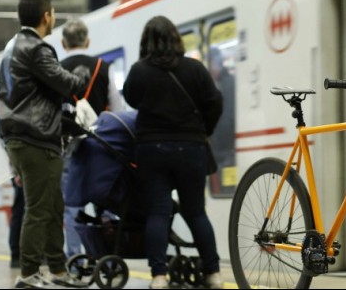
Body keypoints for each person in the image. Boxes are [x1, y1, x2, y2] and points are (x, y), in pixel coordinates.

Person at [0, 0, 89, 289]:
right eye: (53, 13)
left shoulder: (12, 46)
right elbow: (68, 84)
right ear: (46, 16)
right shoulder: (36, 48)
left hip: (21, 136)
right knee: (38, 209)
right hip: (36, 137)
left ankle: (58, 270)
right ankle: (29, 273)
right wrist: (82, 74)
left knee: (52, 206)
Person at [122, 16, 223, 290]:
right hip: (191, 148)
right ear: (176, 38)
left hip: (152, 149)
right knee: (196, 212)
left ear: (146, 42)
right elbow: (215, 101)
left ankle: (159, 276)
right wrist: (203, 131)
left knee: (158, 212)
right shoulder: (195, 69)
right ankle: (213, 273)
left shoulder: (139, 71)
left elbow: (131, 99)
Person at [59, 18, 123, 258]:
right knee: (106, 203)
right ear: (87, 41)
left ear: (64, 43)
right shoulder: (104, 68)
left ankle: (74, 260)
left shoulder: (56, 69)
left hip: (69, 148)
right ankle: (107, 259)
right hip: (101, 147)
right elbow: (117, 109)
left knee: (72, 206)